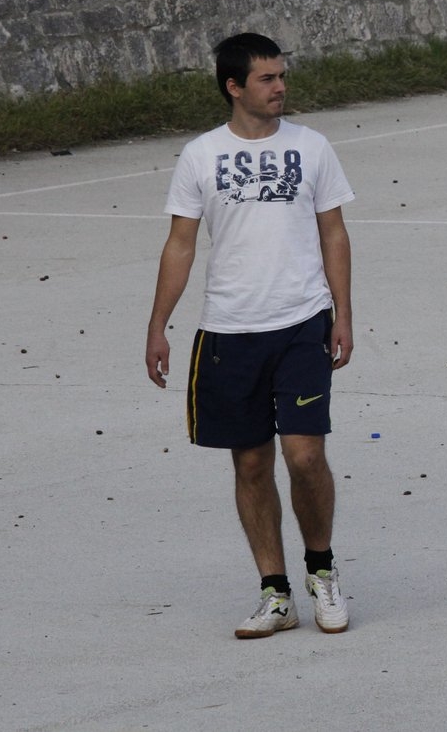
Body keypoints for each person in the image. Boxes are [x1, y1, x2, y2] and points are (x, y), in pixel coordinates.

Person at [145, 32, 356, 637]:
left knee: (305, 455)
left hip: (302, 322)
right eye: (267, 79)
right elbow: (180, 245)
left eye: (282, 76)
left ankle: (322, 571)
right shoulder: (200, 155)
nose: (280, 87)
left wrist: (343, 313)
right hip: (229, 331)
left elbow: (334, 233)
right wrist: (158, 326)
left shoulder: (312, 147)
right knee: (252, 463)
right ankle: (276, 593)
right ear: (234, 86)